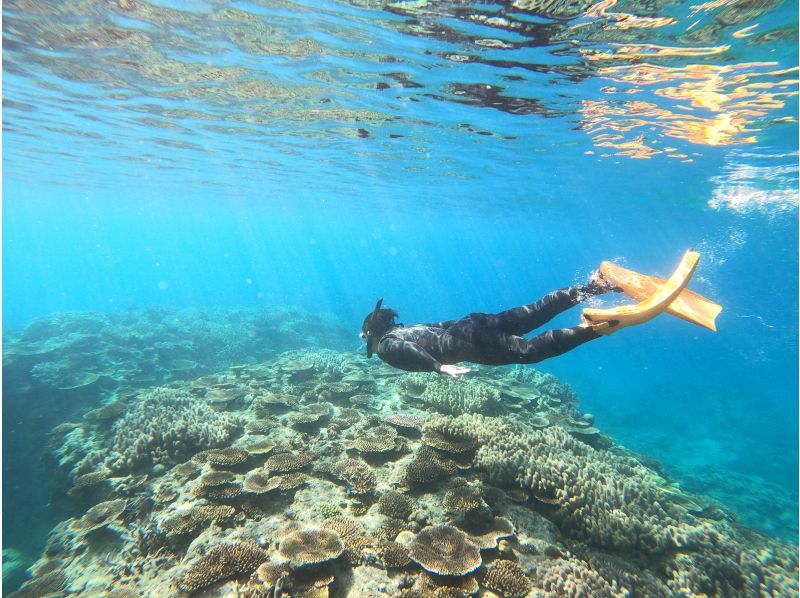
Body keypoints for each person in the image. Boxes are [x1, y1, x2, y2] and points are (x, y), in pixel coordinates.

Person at [360, 274, 621, 378]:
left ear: (372, 333)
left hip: (471, 343)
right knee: (537, 311)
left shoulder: (385, 346)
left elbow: (406, 351)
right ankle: (596, 285)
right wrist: (473, 325)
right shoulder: (407, 329)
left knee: (529, 350)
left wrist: (439, 367)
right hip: (472, 323)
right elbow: (441, 325)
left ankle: (597, 328)